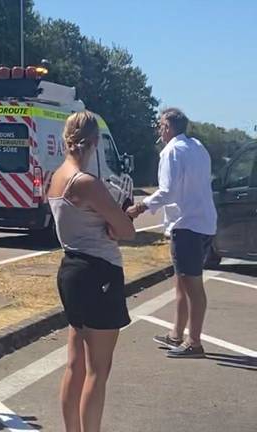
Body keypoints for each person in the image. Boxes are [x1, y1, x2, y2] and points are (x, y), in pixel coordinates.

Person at [48, 111, 135, 432]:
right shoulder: (87, 183)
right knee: (98, 369)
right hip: (98, 271)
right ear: (95, 143)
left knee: (75, 364)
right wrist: (122, 219)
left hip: (71, 268)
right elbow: (125, 230)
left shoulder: (56, 177)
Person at [127, 108, 217, 359]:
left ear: (167, 127)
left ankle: (195, 342)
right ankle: (176, 333)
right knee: (181, 282)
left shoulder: (171, 151)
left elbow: (168, 192)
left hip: (186, 225)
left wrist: (140, 207)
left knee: (192, 285)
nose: (158, 129)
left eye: (160, 125)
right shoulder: (197, 146)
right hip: (203, 222)